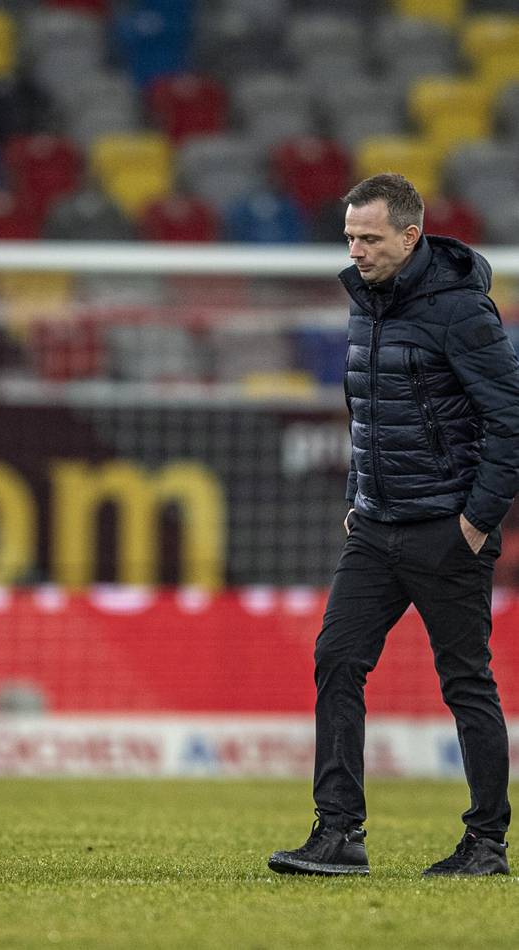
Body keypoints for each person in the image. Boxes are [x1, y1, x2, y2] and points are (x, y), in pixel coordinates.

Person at [268, 173, 519, 878]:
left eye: (370, 238)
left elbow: (510, 417)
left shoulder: (463, 313)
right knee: (337, 659)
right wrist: (358, 492)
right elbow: (369, 415)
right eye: (351, 237)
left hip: (446, 529)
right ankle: (339, 833)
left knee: (466, 681)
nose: (357, 251)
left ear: (411, 237)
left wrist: (474, 522)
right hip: (375, 528)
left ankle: (486, 843)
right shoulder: (366, 304)